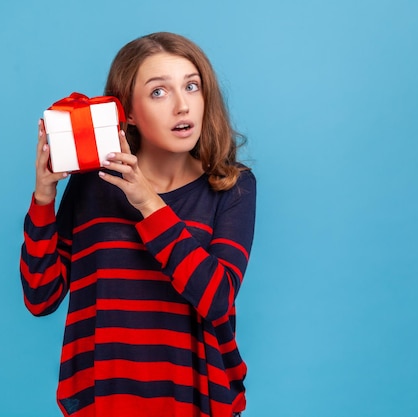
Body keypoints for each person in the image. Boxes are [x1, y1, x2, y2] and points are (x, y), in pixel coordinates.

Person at [20, 32, 256, 417]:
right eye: (159, 92)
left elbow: (216, 299)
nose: (182, 106)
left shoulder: (231, 185)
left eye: (192, 86)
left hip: (197, 398)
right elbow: (40, 297)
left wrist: (148, 202)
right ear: (126, 111)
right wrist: (43, 198)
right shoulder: (92, 183)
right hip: (105, 400)